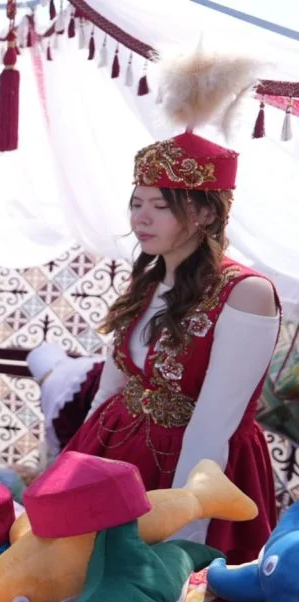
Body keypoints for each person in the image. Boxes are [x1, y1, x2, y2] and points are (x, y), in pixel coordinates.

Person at [63, 49, 279, 564]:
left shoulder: (246, 294)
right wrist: (72, 469)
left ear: (205, 212)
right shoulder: (147, 279)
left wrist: (183, 531)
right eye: (136, 202)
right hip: (114, 454)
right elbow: (108, 391)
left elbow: (214, 422)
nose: (142, 217)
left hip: (190, 470)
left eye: (160, 205)